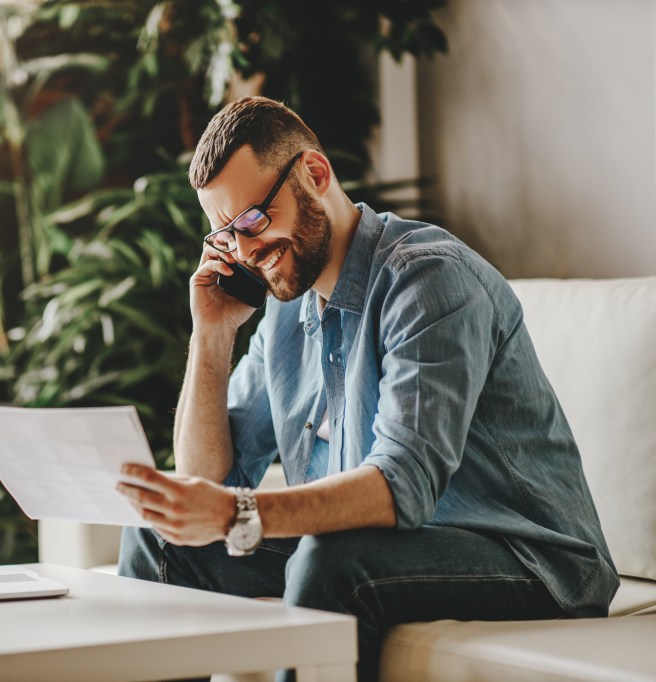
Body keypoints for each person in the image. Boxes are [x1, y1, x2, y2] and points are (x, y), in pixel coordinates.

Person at [114, 96, 618, 681]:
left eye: (252, 220)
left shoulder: (428, 278)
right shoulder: (285, 310)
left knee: (333, 561)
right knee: (159, 539)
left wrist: (238, 511)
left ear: (315, 173)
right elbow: (206, 482)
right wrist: (212, 335)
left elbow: (402, 486)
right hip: (391, 549)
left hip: (530, 557)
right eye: (226, 236)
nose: (247, 250)